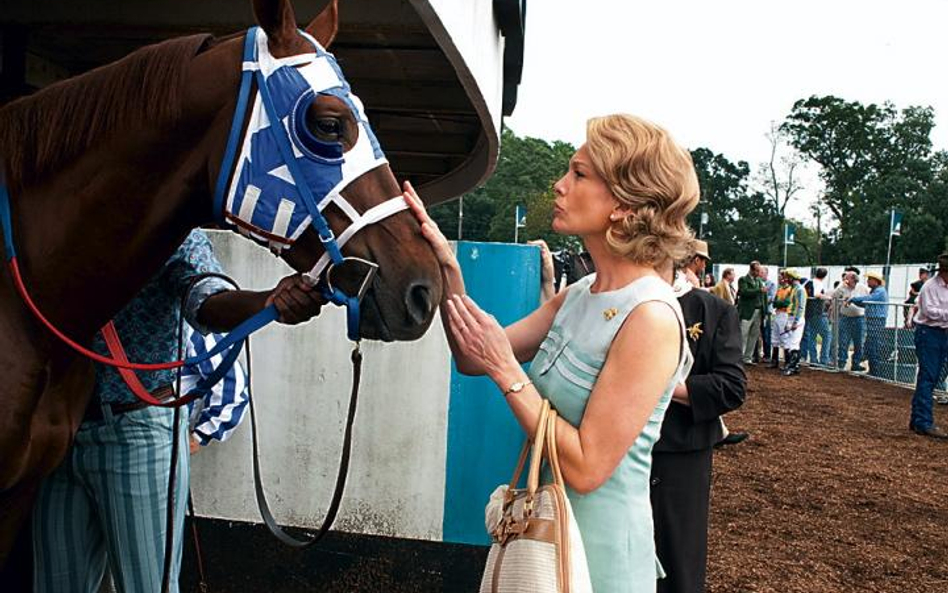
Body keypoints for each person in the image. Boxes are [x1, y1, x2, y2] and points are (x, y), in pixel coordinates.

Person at [406, 113, 697, 592]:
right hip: (540, 544)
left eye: (579, 174)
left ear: (624, 205)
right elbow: (473, 357)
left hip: (600, 561)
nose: (559, 185)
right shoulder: (580, 292)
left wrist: (508, 373)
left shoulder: (650, 317)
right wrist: (444, 267)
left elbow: (586, 467)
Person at [32, 230, 324, 593]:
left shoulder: (171, 230)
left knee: (148, 586)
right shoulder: (60, 215)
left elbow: (208, 302)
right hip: (57, 429)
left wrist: (265, 303)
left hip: (136, 428)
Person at [652, 261, 746, 593]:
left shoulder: (711, 309)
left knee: (676, 558)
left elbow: (731, 387)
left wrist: (660, 385)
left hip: (679, 453)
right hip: (609, 452)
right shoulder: (607, 299)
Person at [909, 254, 948, 439]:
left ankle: (918, 419)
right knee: (929, 376)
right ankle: (923, 421)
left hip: (940, 333)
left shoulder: (938, 286)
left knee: (930, 376)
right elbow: (929, 312)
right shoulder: (930, 287)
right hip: (929, 332)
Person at [848, 271, 889, 376]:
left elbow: (868, 300)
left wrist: (853, 299)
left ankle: (875, 371)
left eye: (870, 279)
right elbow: (865, 303)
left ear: (876, 281)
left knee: (874, 344)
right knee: (870, 344)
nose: (868, 281)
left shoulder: (880, 291)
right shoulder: (875, 291)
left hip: (877, 320)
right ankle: (870, 368)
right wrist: (854, 301)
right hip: (873, 319)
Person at [833, 271, 869, 371]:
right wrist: (841, 287)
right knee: (843, 341)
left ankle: (856, 363)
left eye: (847, 278)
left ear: (854, 279)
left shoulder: (863, 288)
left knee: (859, 342)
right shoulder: (842, 287)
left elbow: (869, 298)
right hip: (845, 317)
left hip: (859, 318)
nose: (845, 280)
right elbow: (834, 296)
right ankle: (841, 363)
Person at [737, 262, 767, 365]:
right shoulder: (743, 280)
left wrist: (765, 310)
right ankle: (738, 357)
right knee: (743, 334)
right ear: (752, 270)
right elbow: (744, 292)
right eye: (757, 271)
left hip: (758, 311)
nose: (759, 273)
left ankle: (747, 357)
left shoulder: (759, 280)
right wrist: (759, 290)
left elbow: (764, 297)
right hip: (747, 311)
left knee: (754, 335)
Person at [802, 268, 832, 366]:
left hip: (809, 313)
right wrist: (828, 297)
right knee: (827, 335)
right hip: (817, 312)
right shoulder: (818, 283)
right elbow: (817, 294)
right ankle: (824, 359)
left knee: (812, 336)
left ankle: (813, 359)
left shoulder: (808, 282)